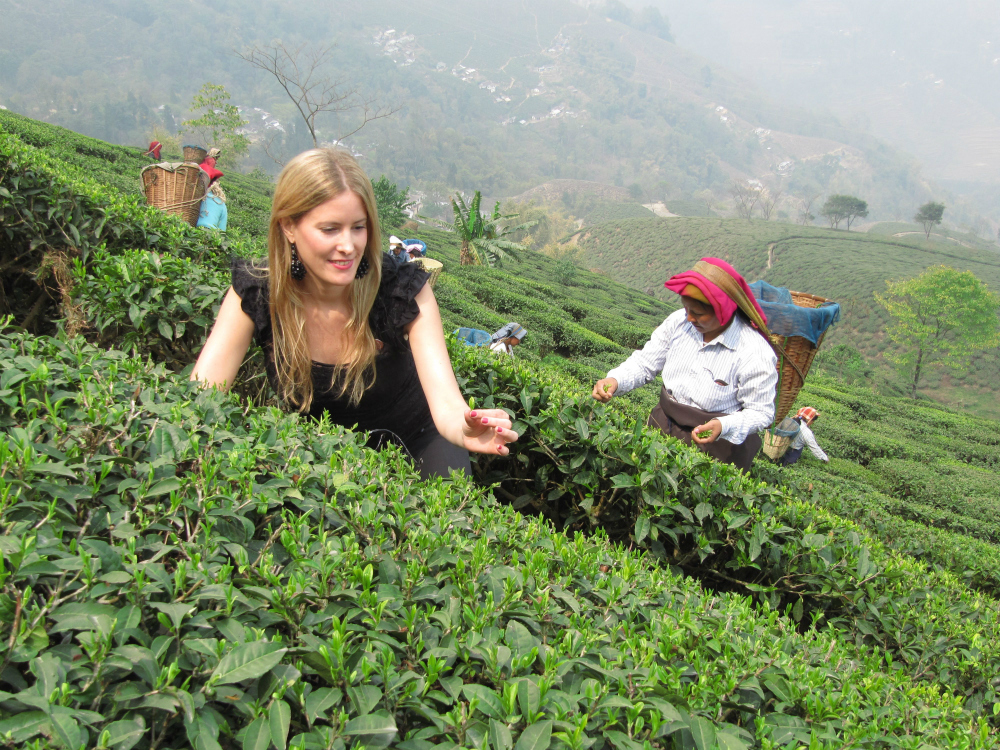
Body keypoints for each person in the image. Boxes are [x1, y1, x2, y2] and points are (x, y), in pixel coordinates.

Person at [191, 148, 517, 479]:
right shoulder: (257, 292)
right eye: (330, 229)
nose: (348, 246)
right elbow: (198, 400)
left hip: (420, 441)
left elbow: (446, 402)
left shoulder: (400, 289)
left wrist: (463, 430)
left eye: (358, 227)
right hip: (321, 452)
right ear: (289, 226)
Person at [592, 257, 778, 470]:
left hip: (717, 447)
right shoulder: (678, 323)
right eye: (686, 309)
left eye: (698, 313)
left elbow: (761, 412)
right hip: (664, 427)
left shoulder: (753, 351)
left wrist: (723, 426)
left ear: (723, 311)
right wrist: (615, 380)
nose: (689, 318)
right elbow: (645, 362)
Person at [196, 161, 227, 232]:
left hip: (192, 231)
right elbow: (222, 230)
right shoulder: (221, 203)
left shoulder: (193, 196)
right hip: (211, 235)